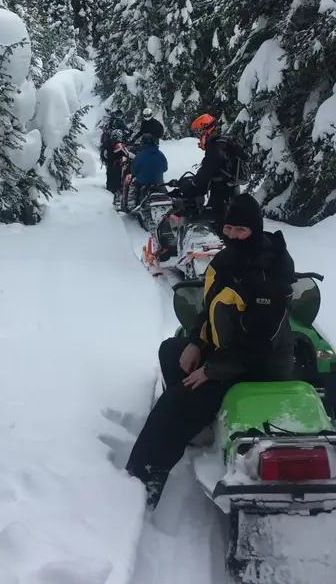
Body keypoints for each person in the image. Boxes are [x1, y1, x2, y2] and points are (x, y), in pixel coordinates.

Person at [126, 193, 295, 509]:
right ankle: (202, 425)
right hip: (229, 352)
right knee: (171, 352)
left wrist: (211, 370)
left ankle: (141, 480)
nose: (232, 235)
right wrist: (196, 343)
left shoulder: (267, 272)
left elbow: (259, 342)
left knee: (175, 403)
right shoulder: (227, 260)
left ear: (255, 230)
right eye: (228, 228)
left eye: (240, 230)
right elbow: (210, 307)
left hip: (259, 365)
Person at [174, 114, 243, 232]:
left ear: (205, 130)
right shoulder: (223, 142)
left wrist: (194, 184)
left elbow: (208, 169)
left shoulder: (215, 146)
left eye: (198, 133)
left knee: (208, 221)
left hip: (221, 192)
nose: (198, 136)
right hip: (228, 190)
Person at [131, 133, 168, 203]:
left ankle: (136, 204)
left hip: (143, 183)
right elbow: (165, 168)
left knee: (134, 190)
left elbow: (134, 170)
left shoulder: (140, 155)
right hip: (158, 182)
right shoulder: (161, 154)